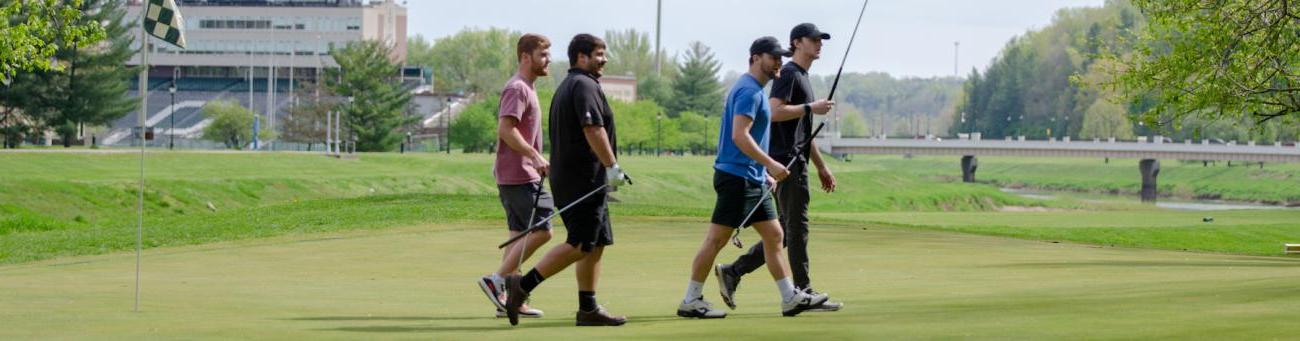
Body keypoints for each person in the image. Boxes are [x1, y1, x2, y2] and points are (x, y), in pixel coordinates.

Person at [676, 36, 828, 319]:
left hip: (751, 177)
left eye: (781, 59)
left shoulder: (756, 90)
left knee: (774, 234)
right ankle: (691, 299)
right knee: (715, 241)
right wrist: (770, 164)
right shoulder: (748, 91)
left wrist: (762, 173)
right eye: (773, 58)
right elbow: (739, 136)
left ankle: (789, 298)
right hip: (736, 177)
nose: (778, 64)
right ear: (756, 58)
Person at [503, 33, 632, 327]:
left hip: (583, 178)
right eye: (599, 54)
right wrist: (612, 166)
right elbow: (593, 129)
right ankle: (521, 286)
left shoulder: (571, 85)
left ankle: (588, 308)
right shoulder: (583, 85)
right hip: (582, 180)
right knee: (580, 243)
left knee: (596, 242)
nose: (605, 59)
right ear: (581, 57)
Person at [715, 23, 843, 312]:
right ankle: (802, 290)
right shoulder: (789, 76)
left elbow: (804, 133)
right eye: (813, 39)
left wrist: (822, 166)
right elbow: (773, 112)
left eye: (821, 40)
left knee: (783, 229)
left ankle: (734, 271)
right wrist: (811, 107)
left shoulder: (802, 78)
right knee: (796, 227)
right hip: (784, 162)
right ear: (797, 42)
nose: (819, 44)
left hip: (794, 160)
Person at [476, 33, 555, 320]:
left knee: (517, 238)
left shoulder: (527, 88)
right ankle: (496, 280)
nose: (548, 60)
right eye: (543, 54)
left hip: (516, 175)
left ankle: (511, 301)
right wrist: (535, 156)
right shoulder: (518, 88)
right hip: (521, 175)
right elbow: (506, 130)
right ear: (525, 56)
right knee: (544, 230)